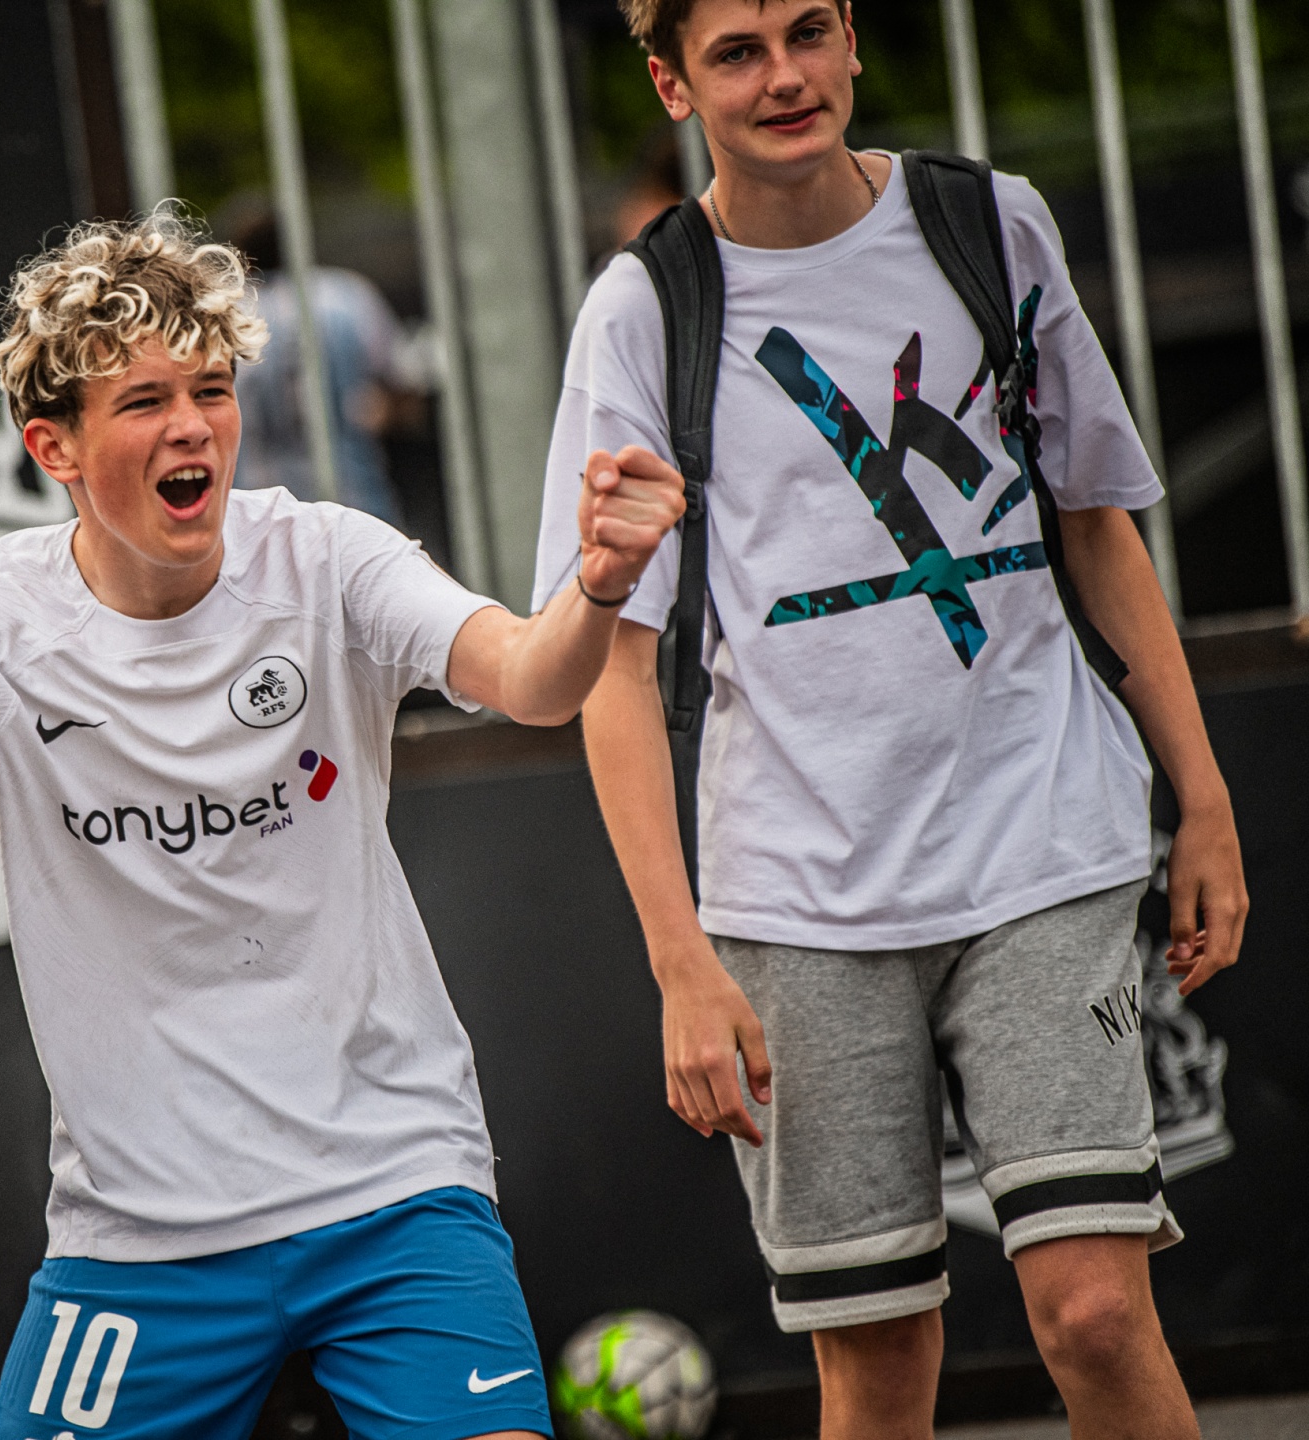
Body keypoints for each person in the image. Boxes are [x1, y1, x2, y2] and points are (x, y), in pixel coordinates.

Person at [0, 210, 685, 1439]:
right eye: (144, 401)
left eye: (210, 388)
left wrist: (599, 584)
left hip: (394, 1188)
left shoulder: (328, 559)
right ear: (53, 446)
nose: (193, 424)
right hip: (142, 1242)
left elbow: (531, 679)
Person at [534, 4, 1248, 1439]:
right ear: (672, 83)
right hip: (796, 895)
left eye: (808, 31)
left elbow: (1096, 523)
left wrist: (1206, 800)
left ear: (854, 38)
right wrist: (679, 961)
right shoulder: (647, 308)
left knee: (1098, 1314)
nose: (784, 76)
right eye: (736, 53)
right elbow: (611, 664)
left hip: (1043, 839)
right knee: (876, 1359)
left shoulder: (992, 224)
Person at [229, 211, 414, 526]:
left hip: (258, 509)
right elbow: (399, 384)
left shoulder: (229, 310)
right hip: (353, 499)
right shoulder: (346, 296)